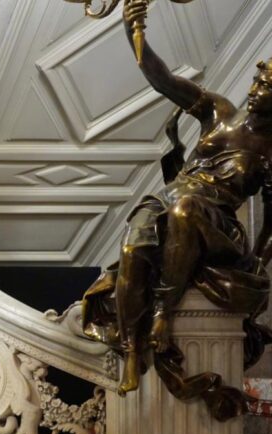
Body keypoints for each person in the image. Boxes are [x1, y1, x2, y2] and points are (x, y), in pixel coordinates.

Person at [83, 0, 272, 402]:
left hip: (218, 224)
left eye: (267, 89)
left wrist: (258, 260)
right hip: (172, 197)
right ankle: (131, 350)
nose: (257, 92)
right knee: (133, 247)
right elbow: (163, 79)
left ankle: (161, 315)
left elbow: (271, 221)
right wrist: (134, 32)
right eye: (258, 83)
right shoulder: (219, 112)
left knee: (184, 212)